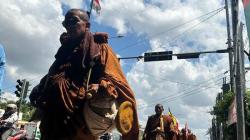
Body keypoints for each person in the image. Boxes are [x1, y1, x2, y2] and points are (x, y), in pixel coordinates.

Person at [30, 9, 139, 140]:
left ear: (87, 25)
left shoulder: (101, 48)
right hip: (51, 121)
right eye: (66, 22)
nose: (68, 25)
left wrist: (101, 86)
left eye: (74, 21)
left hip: (79, 123)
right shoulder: (64, 51)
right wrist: (41, 87)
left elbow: (118, 83)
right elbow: (53, 74)